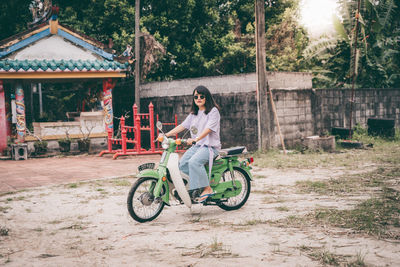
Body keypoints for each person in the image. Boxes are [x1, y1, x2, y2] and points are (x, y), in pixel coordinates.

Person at [164, 85, 221, 202]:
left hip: (210, 147)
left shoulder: (213, 111)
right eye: (196, 97)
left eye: (201, 96)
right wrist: (166, 135)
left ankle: (207, 188)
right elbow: (182, 126)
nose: (198, 98)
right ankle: (192, 188)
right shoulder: (193, 114)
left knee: (194, 162)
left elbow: (209, 129)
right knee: (182, 165)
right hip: (197, 147)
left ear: (207, 98)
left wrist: (196, 139)